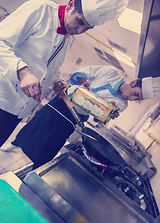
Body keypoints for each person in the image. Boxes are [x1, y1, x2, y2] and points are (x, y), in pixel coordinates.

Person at [0, 0, 129, 147]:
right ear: (70, 4)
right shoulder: (41, 10)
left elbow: (49, 67)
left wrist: (57, 80)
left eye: (87, 28)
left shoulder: (69, 37)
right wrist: (23, 72)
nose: (80, 30)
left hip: (19, 111)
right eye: (79, 21)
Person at [2, 65, 160, 169]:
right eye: (135, 94)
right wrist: (84, 83)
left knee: (54, 142)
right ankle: (16, 143)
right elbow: (85, 72)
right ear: (132, 83)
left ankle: (37, 168)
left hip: (76, 116)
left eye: (136, 99)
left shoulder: (122, 105)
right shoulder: (111, 73)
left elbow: (99, 117)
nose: (132, 99)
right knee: (37, 125)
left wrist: (107, 114)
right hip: (63, 101)